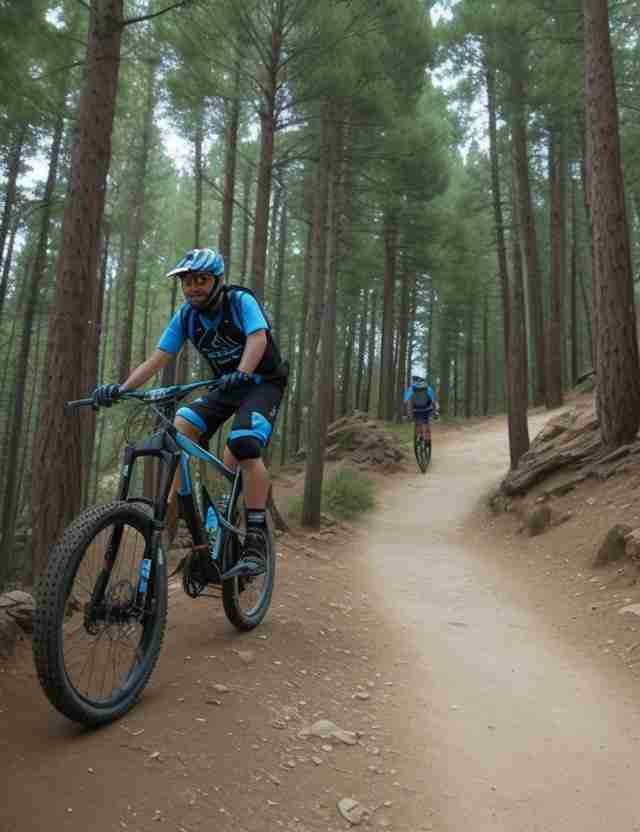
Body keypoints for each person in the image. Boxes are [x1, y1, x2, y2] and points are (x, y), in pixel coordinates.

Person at [91, 248, 288, 574]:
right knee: (179, 428)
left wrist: (243, 369)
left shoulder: (239, 301)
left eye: (201, 280)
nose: (193, 287)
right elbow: (158, 358)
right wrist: (121, 389)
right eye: (187, 281)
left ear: (217, 281)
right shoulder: (186, 316)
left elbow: (257, 338)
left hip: (262, 382)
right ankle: (170, 515)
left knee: (243, 444)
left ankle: (255, 539)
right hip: (226, 386)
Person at [404, 375, 437, 440]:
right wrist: (435, 412)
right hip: (427, 409)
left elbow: (405, 400)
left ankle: (417, 437)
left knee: (417, 423)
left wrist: (407, 413)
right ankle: (428, 440)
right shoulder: (428, 388)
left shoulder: (412, 388)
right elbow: (433, 401)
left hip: (416, 410)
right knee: (427, 423)